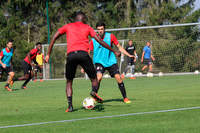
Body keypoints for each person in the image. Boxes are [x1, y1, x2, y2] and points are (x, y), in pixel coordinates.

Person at [45, 11, 120, 112]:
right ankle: (94, 91)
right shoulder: (87, 27)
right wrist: (114, 50)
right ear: (83, 19)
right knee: (94, 79)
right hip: (83, 55)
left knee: (69, 82)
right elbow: (100, 41)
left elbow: (54, 37)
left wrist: (48, 54)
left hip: (71, 55)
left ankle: (70, 106)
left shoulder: (68, 26)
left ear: (75, 19)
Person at [89, 22, 134, 103]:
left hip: (110, 61)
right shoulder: (93, 39)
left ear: (104, 29)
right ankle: (94, 94)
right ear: (96, 30)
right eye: (98, 29)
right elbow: (88, 51)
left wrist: (129, 55)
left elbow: (119, 47)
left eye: (102, 29)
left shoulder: (110, 36)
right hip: (99, 62)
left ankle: (125, 98)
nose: (100, 31)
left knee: (118, 78)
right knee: (98, 77)